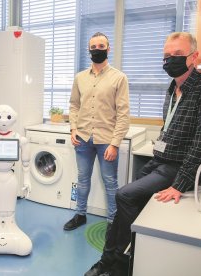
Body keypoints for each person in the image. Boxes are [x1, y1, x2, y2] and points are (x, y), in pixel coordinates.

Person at [85, 32, 201, 276]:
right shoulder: (173, 88)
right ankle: (109, 262)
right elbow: (168, 127)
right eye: (166, 56)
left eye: (178, 55)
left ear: (195, 57)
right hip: (160, 160)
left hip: (179, 167)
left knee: (125, 195)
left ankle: (118, 264)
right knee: (125, 206)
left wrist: (180, 185)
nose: (170, 60)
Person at [66, 32, 130, 232]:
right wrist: (73, 129)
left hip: (106, 141)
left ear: (108, 49)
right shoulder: (80, 78)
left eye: (101, 46)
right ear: (89, 49)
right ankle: (80, 214)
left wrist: (115, 143)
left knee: (110, 182)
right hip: (83, 138)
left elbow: (123, 113)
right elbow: (74, 105)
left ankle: (113, 222)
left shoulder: (119, 78)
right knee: (82, 179)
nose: (97, 50)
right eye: (93, 47)